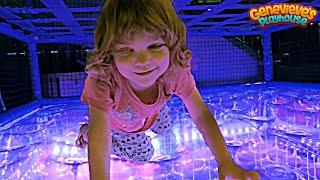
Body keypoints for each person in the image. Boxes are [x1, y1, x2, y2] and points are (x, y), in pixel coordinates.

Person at [76, 0, 260, 179]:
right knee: (143, 154)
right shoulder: (103, 80)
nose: (142, 61)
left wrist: (225, 160)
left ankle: (153, 108)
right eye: (125, 50)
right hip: (122, 126)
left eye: (154, 46)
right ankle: (86, 130)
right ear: (110, 52)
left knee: (165, 127)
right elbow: (100, 138)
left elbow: (201, 115)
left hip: (153, 112)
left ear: (170, 45)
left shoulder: (173, 71)